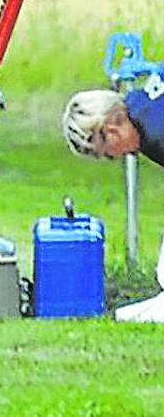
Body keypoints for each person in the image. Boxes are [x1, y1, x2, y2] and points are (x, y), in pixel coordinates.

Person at [63, 84, 164, 321]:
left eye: (107, 153)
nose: (115, 158)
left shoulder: (155, 130)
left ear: (111, 130)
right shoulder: (141, 104)